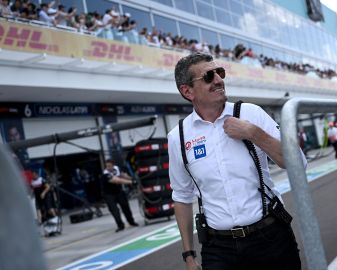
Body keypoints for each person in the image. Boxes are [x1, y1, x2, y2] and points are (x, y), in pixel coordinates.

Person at [168, 53, 305, 270]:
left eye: (220, 73)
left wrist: (253, 133)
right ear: (187, 91)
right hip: (218, 248)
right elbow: (182, 197)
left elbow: (298, 163)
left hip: (270, 238)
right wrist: (189, 256)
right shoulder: (179, 136)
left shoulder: (250, 113)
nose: (218, 79)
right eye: (208, 76)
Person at [102, 159, 138, 232]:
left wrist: (133, 178)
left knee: (125, 207)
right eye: (107, 166)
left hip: (118, 191)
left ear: (113, 165)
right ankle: (120, 225)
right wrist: (131, 182)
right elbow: (117, 180)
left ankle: (131, 221)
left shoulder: (116, 169)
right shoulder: (105, 174)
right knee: (114, 210)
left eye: (109, 166)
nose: (108, 168)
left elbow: (122, 175)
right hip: (109, 194)